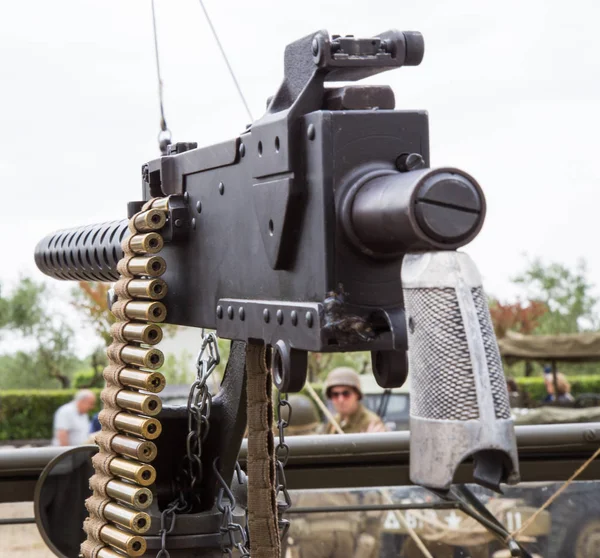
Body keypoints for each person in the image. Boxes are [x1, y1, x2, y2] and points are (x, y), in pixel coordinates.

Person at [283, 394, 380, 558]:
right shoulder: (334, 446)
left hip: (310, 539)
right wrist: (368, 534)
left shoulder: (287, 454)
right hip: (347, 536)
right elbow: (372, 497)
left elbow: (279, 504)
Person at [323, 367, 386, 434]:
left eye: (346, 394)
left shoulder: (371, 424)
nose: (340, 399)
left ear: (357, 395)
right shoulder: (333, 423)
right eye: (335, 394)